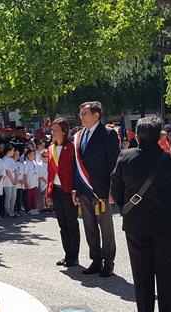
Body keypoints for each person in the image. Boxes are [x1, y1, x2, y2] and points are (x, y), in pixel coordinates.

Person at [110, 117, 171, 312]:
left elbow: (116, 192)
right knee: (166, 278)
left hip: (136, 226)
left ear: (137, 136)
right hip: (166, 227)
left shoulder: (124, 158)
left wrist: (127, 211)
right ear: (160, 137)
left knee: (142, 278)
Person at [73, 101, 120, 277]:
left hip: (101, 190)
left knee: (105, 227)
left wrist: (112, 189)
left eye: (84, 113)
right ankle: (96, 259)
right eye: (80, 113)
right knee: (89, 226)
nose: (81, 116)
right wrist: (75, 189)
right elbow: (76, 165)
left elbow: (114, 163)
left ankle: (108, 262)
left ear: (96, 115)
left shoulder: (107, 134)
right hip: (84, 189)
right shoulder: (79, 135)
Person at [46, 118, 80, 267]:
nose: (53, 132)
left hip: (68, 191)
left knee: (72, 224)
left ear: (64, 131)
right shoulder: (51, 148)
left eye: (56, 129)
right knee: (62, 225)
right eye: (52, 129)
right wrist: (48, 192)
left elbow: (76, 171)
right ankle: (67, 254)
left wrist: (76, 190)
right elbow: (50, 173)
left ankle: (74, 256)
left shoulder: (72, 147)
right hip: (57, 191)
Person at [2, 145, 18, 217]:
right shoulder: (4, 159)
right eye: (12, 151)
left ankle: (12, 210)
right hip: (7, 182)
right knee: (8, 197)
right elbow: (7, 171)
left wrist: (16, 180)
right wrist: (12, 180)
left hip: (14, 182)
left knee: (14, 197)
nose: (13, 152)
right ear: (9, 151)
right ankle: (7, 211)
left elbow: (15, 169)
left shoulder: (11, 159)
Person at [23, 149, 40, 215]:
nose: (33, 155)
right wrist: (26, 183)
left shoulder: (35, 162)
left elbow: (37, 173)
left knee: (34, 196)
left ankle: (34, 208)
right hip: (29, 182)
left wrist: (37, 181)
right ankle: (29, 209)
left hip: (34, 182)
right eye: (32, 154)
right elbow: (25, 174)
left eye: (34, 154)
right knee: (28, 197)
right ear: (28, 155)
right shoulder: (25, 163)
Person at [13, 149, 25, 215]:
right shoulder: (12, 163)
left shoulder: (20, 163)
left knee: (19, 198)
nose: (17, 156)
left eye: (18, 155)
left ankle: (19, 210)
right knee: (14, 198)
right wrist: (17, 180)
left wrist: (23, 180)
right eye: (16, 154)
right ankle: (14, 210)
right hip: (14, 183)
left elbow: (23, 173)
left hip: (20, 184)